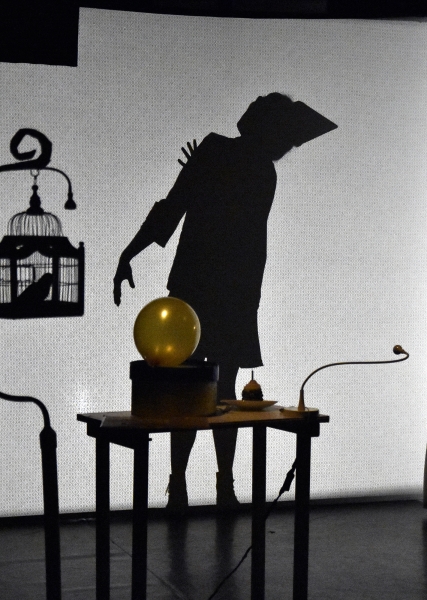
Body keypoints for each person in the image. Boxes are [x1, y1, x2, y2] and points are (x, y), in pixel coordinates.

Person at [113, 93, 337, 513]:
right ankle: (217, 486)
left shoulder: (224, 156)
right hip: (227, 293)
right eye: (286, 138)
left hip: (206, 289)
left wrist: (131, 252)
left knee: (192, 390)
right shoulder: (256, 170)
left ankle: (185, 486)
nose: (288, 147)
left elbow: (176, 206)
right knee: (220, 391)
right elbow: (193, 210)